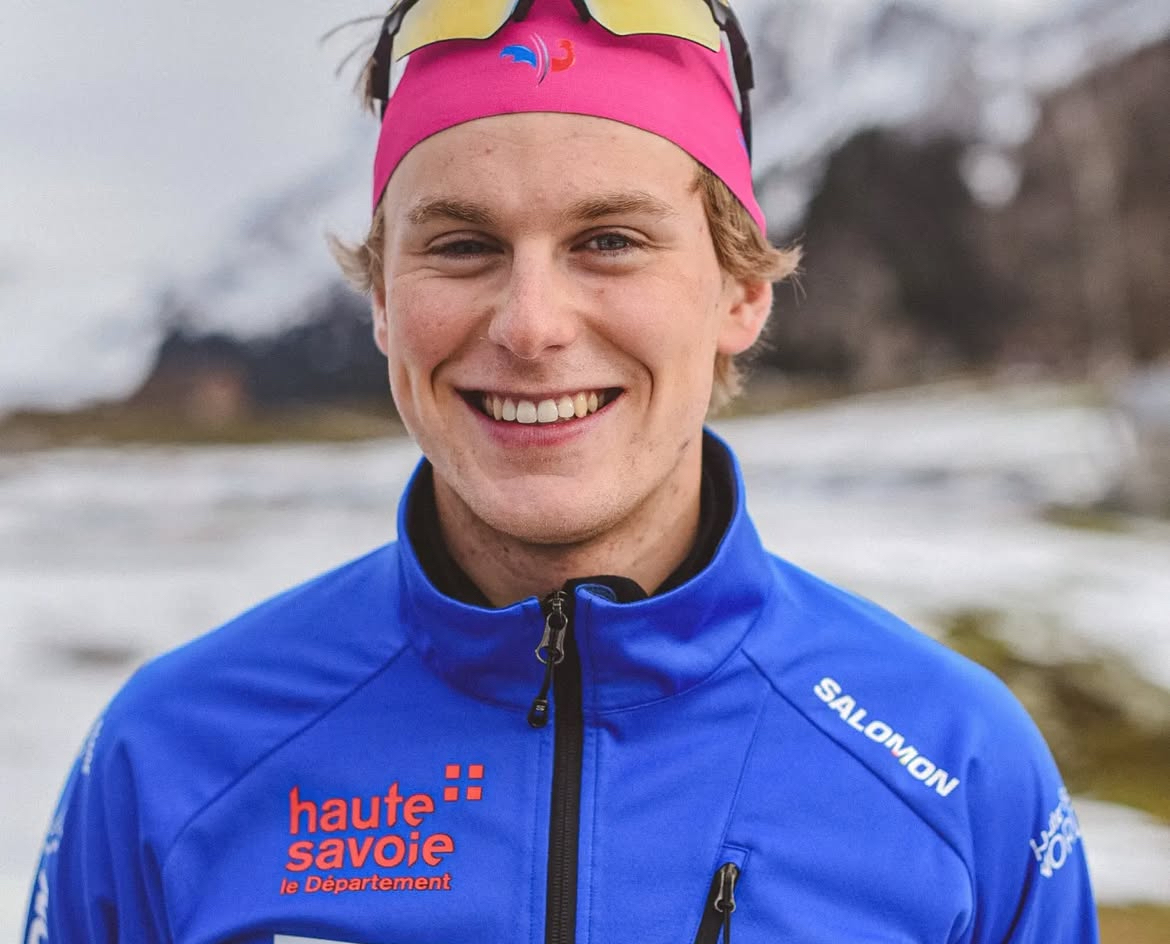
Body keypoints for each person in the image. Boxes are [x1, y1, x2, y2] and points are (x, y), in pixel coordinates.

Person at [24, 1, 1098, 941]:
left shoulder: (955, 767)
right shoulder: (172, 757)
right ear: (383, 300)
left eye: (610, 240)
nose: (531, 326)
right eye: (462, 246)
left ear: (740, 291)